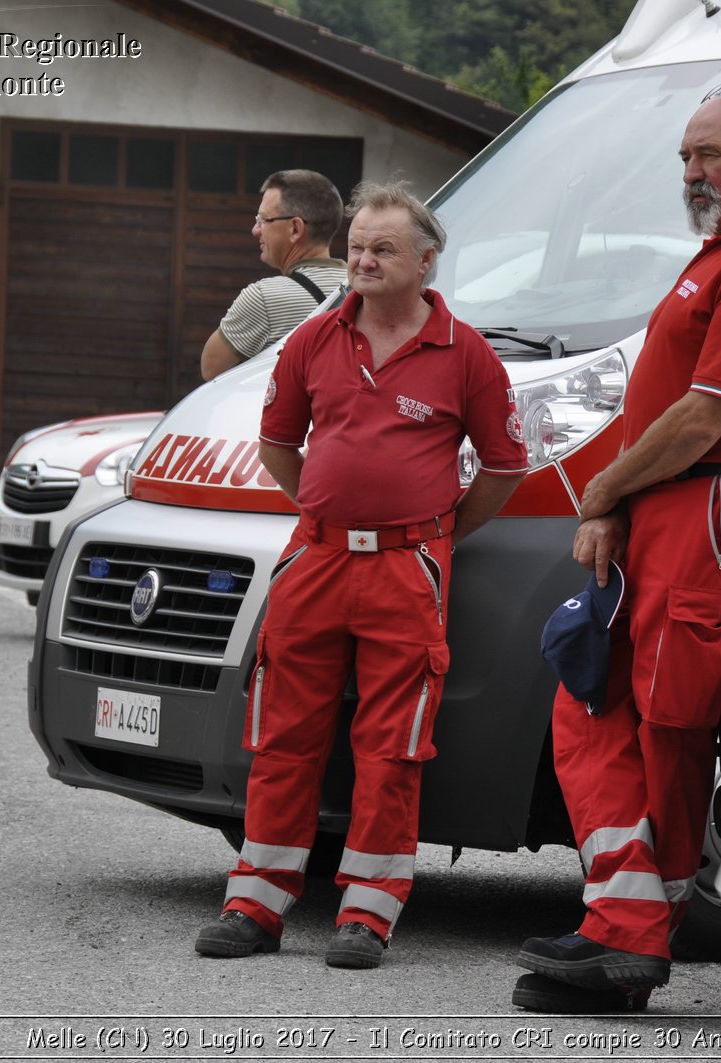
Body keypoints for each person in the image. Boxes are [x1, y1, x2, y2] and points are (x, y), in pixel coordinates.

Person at [513, 82, 721, 1011]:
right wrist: (619, 502)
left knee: (664, 718)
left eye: (710, 156)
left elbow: (707, 414)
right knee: (600, 698)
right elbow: (667, 406)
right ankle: (622, 922)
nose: (692, 173)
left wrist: (608, 488)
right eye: (685, 159)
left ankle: (631, 939)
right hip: (684, 506)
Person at [194, 180, 528, 969]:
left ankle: (367, 913)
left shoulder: (467, 353)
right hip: (315, 561)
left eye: (382, 249)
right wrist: (325, 510)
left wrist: (434, 535)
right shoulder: (312, 339)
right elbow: (279, 443)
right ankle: (257, 901)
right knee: (282, 736)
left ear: (425, 260)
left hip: (407, 570)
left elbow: (506, 466)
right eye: (356, 249)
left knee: (393, 745)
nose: (364, 261)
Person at [200, 169, 348, 380]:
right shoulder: (364, 291)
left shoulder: (264, 298)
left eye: (263, 219)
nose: (255, 230)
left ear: (295, 229)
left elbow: (211, 368)